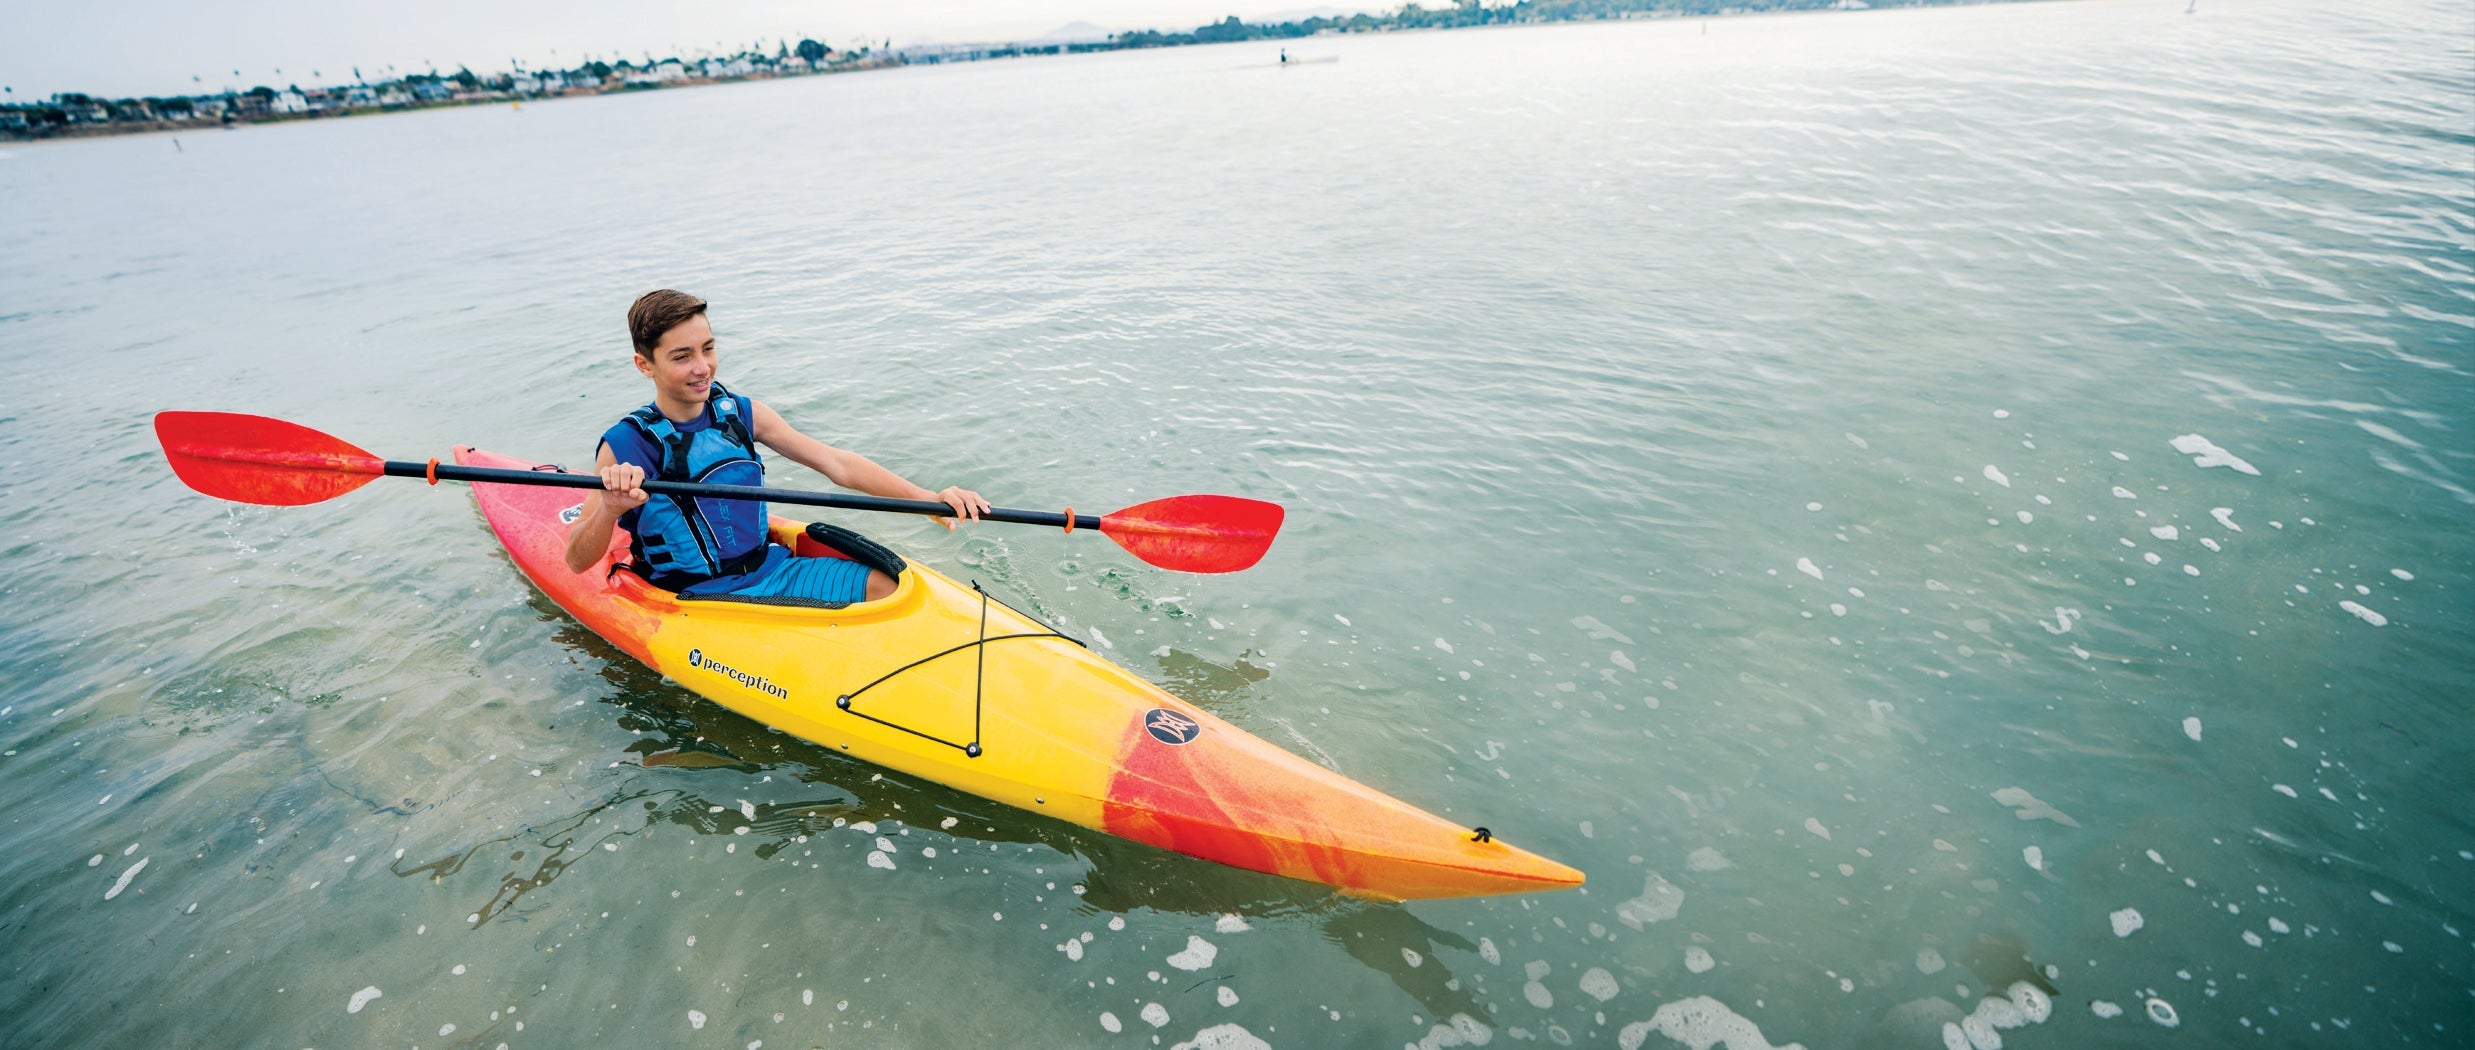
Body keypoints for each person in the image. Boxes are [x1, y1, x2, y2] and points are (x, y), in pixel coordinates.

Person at [563, 289, 988, 604]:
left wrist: (928, 499)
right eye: (681, 356)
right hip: (691, 601)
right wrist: (611, 508)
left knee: (891, 591)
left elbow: (837, 464)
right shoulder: (625, 446)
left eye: (708, 349)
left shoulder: (743, 414)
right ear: (645, 365)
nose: (702, 367)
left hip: (773, 571)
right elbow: (579, 560)